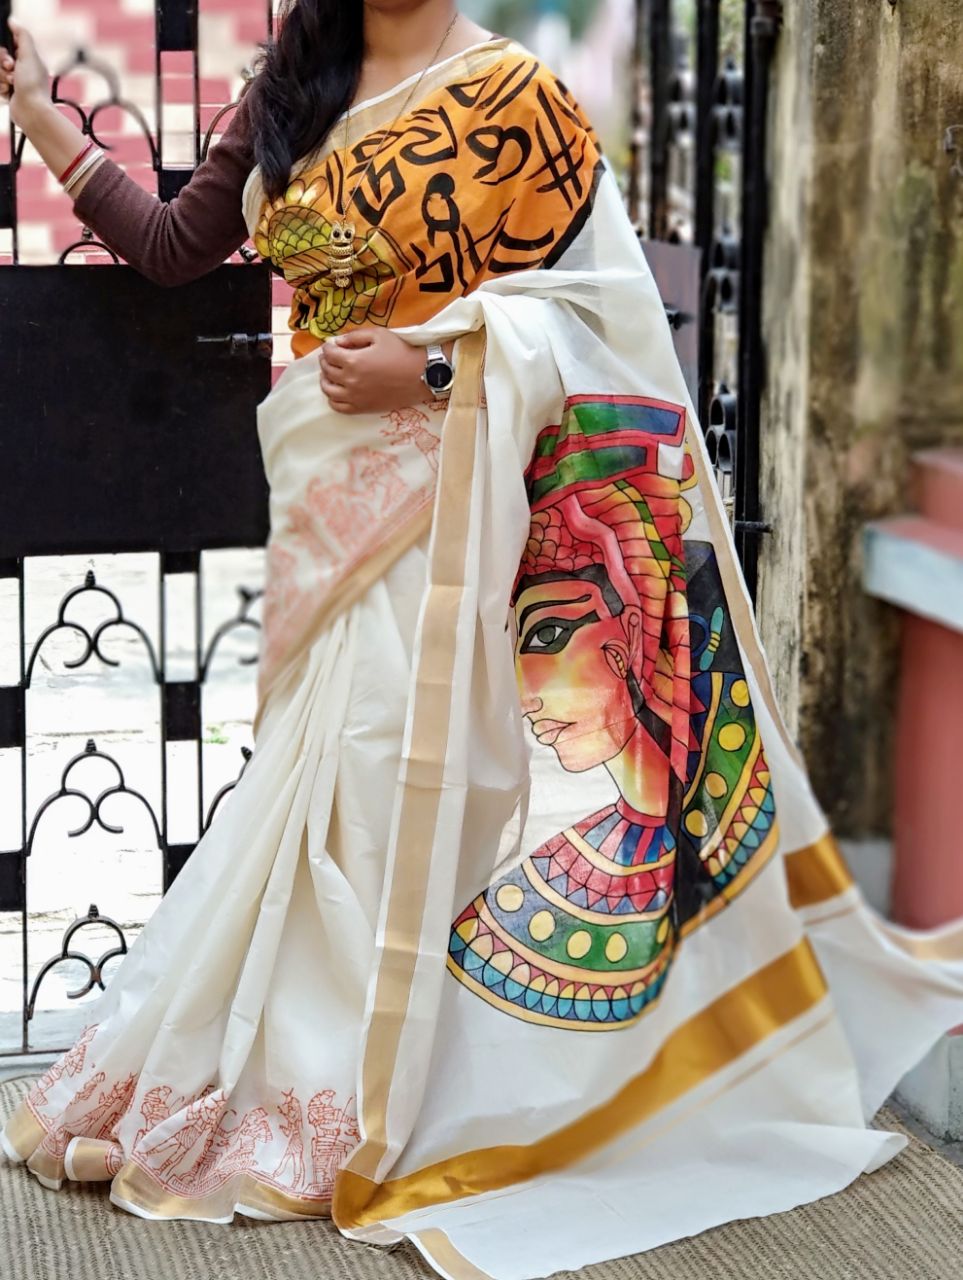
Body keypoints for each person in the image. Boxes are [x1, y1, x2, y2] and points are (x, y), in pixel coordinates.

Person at [2, 5, 962, 1278]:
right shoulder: (296, 82)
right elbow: (179, 247)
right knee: (315, 793)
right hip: (332, 504)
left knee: (393, 788)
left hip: (457, 502)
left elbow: (602, 321)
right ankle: (291, 1088)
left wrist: (435, 372)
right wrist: (39, 113)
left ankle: (376, 1095)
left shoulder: (518, 97)